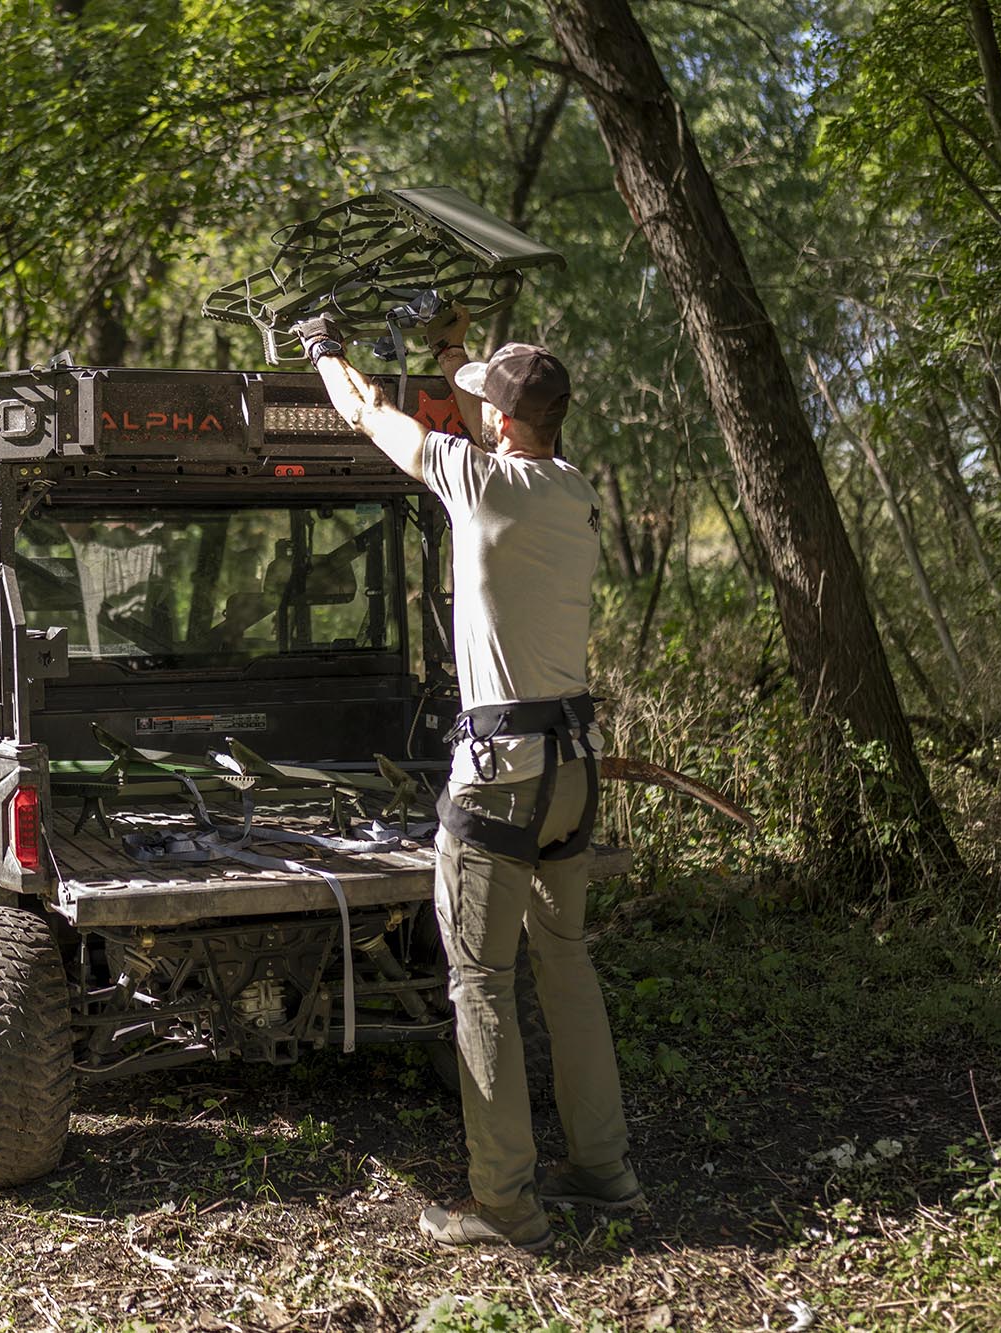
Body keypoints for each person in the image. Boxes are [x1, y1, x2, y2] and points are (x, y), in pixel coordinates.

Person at [292, 306, 645, 1252]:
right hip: (574, 770)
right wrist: (455, 357)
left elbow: (370, 414)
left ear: (498, 424)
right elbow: (479, 409)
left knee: (480, 980)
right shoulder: (573, 492)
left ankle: (504, 1205)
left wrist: (324, 350)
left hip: (498, 780)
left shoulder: (474, 481)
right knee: (566, 964)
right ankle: (605, 1170)